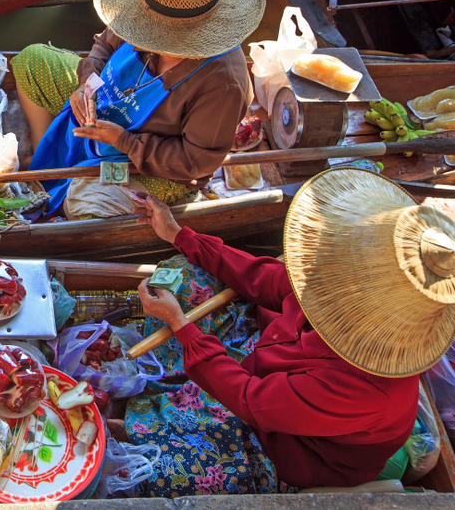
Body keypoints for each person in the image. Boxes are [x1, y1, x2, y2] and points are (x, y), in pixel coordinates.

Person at [121, 167, 452, 496]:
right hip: (266, 361)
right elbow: (264, 279)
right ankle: (185, 375)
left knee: (169, 471)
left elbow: (251, 400)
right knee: (184, 273)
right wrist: (179, 234)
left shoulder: (367, 393)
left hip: (285, 445)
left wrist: (180, 324)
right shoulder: (339, 277)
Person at [11, 0, 264, 219]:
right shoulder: (143, 8)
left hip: (149, 166)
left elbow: (196, 162)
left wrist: (125, 142)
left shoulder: (222, 83)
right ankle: (41, 160)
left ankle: (74, 182)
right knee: (32, 61)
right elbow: (103, 46)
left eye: (157, 37)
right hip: (107, 107)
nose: (143, 38)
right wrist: (87, 84)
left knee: (86, 202)